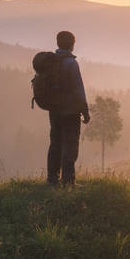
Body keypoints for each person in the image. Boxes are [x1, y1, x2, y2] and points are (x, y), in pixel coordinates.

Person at [48, 30, 90, 186]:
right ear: (73, 44)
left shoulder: (52, 62)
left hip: (54, 111)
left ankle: (52, 179)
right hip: (70, 112)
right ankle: (68, 181)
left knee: (55, 144)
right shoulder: (71, 63)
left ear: (57, 43)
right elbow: (78, 91)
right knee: (70, 146)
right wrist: (85, 112)